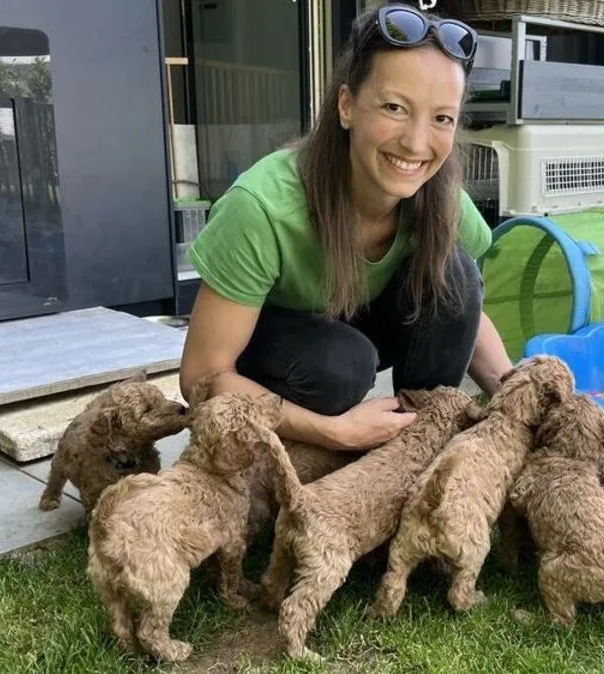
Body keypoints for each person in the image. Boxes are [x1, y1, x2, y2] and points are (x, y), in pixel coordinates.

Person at [179, 3, 514, 452]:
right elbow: (201, 377)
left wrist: (515, 397)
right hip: (280, 348)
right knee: (343, 366)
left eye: (441, 118)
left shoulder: (441, 196)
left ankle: (418, 436)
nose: (416, 143)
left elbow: (463, 310)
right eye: (394, 107)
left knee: (455, 272)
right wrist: (335, 434)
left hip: (362, 327)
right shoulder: (262, 207)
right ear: (347, 106)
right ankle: (304, 437)